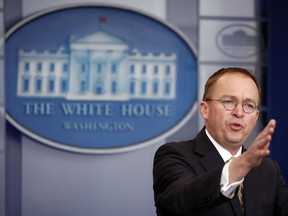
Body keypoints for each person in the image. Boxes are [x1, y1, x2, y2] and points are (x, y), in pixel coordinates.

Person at [153, 67, 288, 216]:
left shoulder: (269, 170)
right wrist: (240, 166)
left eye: (248, 105)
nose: (239, 112)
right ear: (205, 110)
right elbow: (182, 200)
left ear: (255, 118)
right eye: (229, 102)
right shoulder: (173, 155)